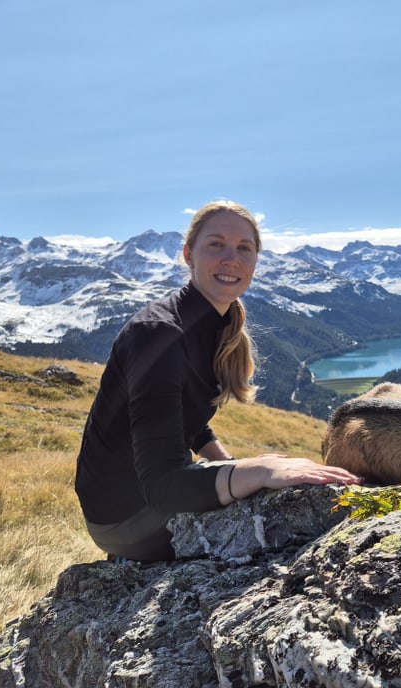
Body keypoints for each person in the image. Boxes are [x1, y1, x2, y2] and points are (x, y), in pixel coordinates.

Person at [75, 199, 361, 562]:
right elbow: (162, 488)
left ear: (256, 260)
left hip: (146, 500)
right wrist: (255, 471)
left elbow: (185, 422)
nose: (232, 258)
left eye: (245, 248)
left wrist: (229, 462)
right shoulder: (158, 334)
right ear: (188, 254)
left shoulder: (211, 324)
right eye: (216, 244)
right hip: (126, 518)